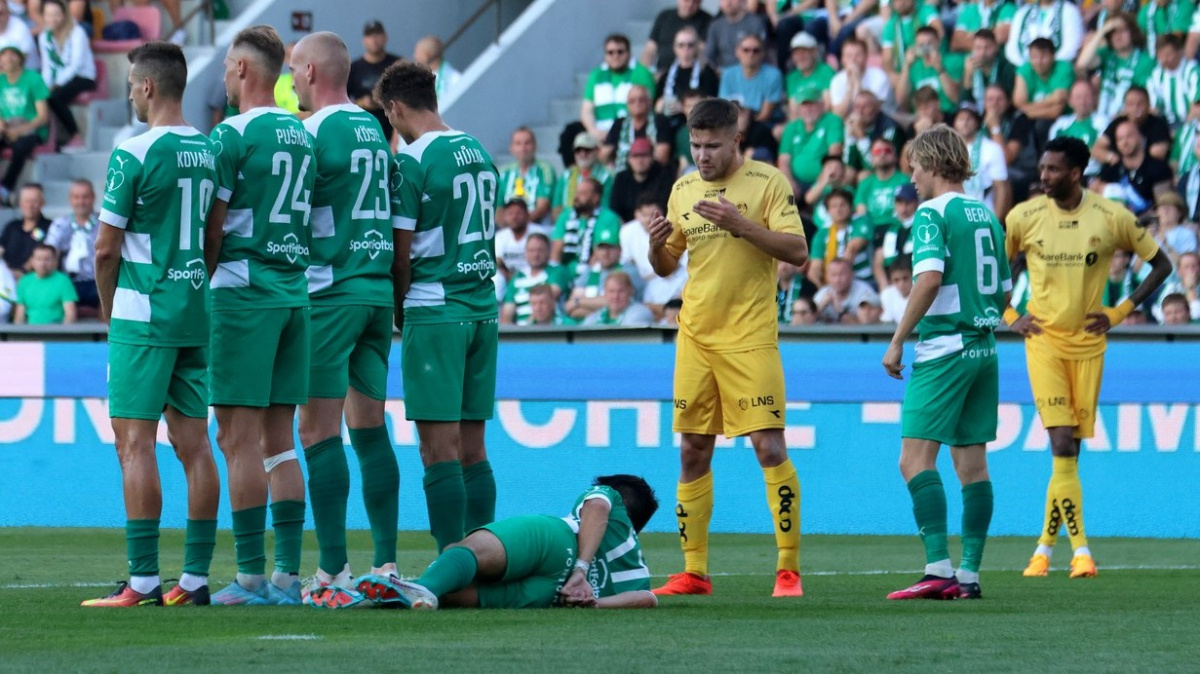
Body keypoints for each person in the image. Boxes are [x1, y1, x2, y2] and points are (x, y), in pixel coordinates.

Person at [647, 97, 808, 598]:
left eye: (712, 146)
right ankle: (694, 572)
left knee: (769, 447)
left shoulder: (767, 183)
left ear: (736, 141)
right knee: (692, 450)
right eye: (695, 145)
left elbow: (798, 251)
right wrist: (654, 246)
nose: (702, 156)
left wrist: (741, 225)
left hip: (750, 337)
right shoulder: (683, 189)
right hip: (695, 337)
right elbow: (666, 266)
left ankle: (788, 570)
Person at [79, 42, 220, 608]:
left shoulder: (132, 153)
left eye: (132, 85)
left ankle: (141, 581)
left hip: (142, 313)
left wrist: (109, 308)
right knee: (195, 444)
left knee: (134, 443)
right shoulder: (208, 150)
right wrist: (192, 284)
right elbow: (214, 237)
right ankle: (194, 581)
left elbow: (104, 249)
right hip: (193, 309)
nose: (131, 95)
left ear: (148, 87)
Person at [1005, 136, 1172, 579]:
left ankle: (1043, 551)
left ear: (1076, 173)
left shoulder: (1111, 216)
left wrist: (1120, 311)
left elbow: (1162, 265)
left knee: (1069, 455)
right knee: (1061, 443)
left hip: (1089, 345)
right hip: (1043, 342)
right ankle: (1082, 552)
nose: (1043, 176)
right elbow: (996, 270)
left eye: (1053, 169)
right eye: (1042, 167)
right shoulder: (1024, 217)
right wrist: (1010, 314)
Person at [282, 31, 401, 606]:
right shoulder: (374, 128)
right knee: (370, 429)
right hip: (376, 290)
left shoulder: (311, 133)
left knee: (317, 431)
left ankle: (332, 571)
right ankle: (387, 563)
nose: (290, 82)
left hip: (331, 292)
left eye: (292, 72)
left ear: (309, 72)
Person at [204, 25, 315, 606]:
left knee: (236, 438)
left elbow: (213, 225)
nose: (224, 75)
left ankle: (249, 576)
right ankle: (287, 576)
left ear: (244, 69)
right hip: (294, 292)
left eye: (227, 65)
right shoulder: (301, 134)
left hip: (243, 294)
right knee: (280, 441)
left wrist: (200, 282)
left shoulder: (230, 135)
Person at [882, 123, 1011, 601]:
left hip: (944, 348)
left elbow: (929, 278)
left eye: (915, 166)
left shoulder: (931, 213)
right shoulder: (988, 216)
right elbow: (1005, 290)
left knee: (914, 460)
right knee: (972, 466)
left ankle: (938, 568)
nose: (912, 177)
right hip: (985, 348)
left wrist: (898, 340)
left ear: (933, 163)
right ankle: (969, 574)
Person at [377, 60, 500, 555]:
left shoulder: (411, 161)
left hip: (436, 309)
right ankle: (486, 559)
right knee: (473, 448)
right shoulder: (478, 150)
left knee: (437, 450)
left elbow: (400, 255)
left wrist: (399, 311)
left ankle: (453, 561)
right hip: (482, 309)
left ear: (395, 108)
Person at [344, 475, 658, 610]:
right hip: (548, 597)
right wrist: (596, 603)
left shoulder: (611, 499)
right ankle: (413, 594)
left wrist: (580, 569)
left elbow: (597, 506)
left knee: (468, 551)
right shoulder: (636, 564)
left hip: (556, 542)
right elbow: (647, 598)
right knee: (455, 595)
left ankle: (419, 587)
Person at [37, 0, 94, 150]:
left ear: (63, 14)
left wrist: (56, 84)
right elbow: (47, 65)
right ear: (43, 16)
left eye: (56, 14)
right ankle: (47, 140)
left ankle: (76, 136)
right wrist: (44, 86)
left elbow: (76, 65)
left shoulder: (77, 32)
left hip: (83, 76)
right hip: (60, 78)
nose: (53, 19)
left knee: (56, 97)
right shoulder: (44, 36)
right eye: (49, 15)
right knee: (41, 95)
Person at [1075, 12, 1152, 120]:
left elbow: (1143, 98)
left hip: (1129, 119)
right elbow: (1082, 64)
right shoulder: (1107, 54)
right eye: (1113, 32)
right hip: (1102, 117)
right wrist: (1102, 31)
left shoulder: (1145, 60)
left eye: (1122, 31)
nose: (1118, 36)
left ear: (1132, 33)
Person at [580, 33, 657, 142]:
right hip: (600, 133)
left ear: (629, 53)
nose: (615, 56)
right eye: (610, 52)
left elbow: (645, 107)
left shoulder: (642, 73)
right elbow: (586, 110)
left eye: (620, 52)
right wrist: (594, 131)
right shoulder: (596, 75)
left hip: (628, 131)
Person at [1091, 119, 1174, 216]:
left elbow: (1164, 205)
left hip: (1149, 222)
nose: (1124, 142)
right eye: (1120, 139)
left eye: (1129, 136)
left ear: (1140, 137)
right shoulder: (1111, 171)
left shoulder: (1158, 168)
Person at [0, 45, 49, 204]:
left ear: (21, 59)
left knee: (21, 148)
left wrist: (20, 131)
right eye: (4, 55)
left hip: (31, 129)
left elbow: (43, 117)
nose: (8, 59)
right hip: (7, 128)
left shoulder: (33, 79)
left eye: (13, 54)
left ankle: (5, 188)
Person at [778, 91, 844, 197]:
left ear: (822, 105)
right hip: (796, 182)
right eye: (804, 105)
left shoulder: (832, 121)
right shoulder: (791, 128)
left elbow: (834, 153)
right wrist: (790, 183)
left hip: (823, 181)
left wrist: (818, 185)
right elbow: (783, 161)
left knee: (834, 169)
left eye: (812, 105)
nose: (807, 109)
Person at [45, 178, 98, 309]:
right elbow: (49, 252)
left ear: (93, 198)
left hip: (98, 282)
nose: (81, 202)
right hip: (67, 282)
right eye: (76, 197)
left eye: (85, 197)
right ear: (70, 199)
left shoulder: (104, 224)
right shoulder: (60, 224)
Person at [552, 176, 624, 273]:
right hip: (566, 271)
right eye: (577, 193)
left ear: (595, 198)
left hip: (595, 271)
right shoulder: (565, 216)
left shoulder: (608, 218)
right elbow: (556, 250)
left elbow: (600, 253)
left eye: (583, 194)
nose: (577, 197)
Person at [954, 102, 1012, 222]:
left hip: (984, 215)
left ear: (977, 123)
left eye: (969, 119)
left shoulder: (992, 148)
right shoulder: (948, 150)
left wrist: (995, 223)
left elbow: (1001, 189)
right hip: (956, 217)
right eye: (961, 119)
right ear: (954, 123)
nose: (965, 123)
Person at [500, 232, 568, 325]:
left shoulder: (557, 271)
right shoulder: (517, 277)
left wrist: (528, 327)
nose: (536, 255)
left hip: (546, 327)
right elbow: (507, 312)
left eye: (540, 250)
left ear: (549, 251)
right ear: (525, 252)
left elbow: (547, 302)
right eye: (531, 250)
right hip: (518, 330)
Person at [347, 20, 400, 140]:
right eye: (370, 36)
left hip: (393, 132)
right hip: (361, 133)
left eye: (378, 35)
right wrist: (361, 103)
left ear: (385, 38)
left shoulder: (397, 65)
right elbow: (343, 101)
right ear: (364, 41)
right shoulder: (354, 68)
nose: (374, 40)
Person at [1048, 80, 1109, 178]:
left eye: (1087, 96)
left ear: (1094, 99)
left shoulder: (1103, 122)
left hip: (1093, 175)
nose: (1082, 101)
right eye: (1078, 97)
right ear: (1070, 101)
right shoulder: (1060, 125)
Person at [653, 26, 719, 118]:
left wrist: (684, 108)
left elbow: (711, 103)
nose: (685, 49)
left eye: (690, 45)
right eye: (681, 45)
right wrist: (661, 105)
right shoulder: (666, 75)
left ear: (696, 47)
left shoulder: (706, 73)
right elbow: (656, 104)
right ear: (674, 48)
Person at [717, 34, 782, 125]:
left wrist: (743, 126)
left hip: (763, 123)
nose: (751, 54)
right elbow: (723, 106)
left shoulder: (773, 75)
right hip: (733, 121)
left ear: (763, 53)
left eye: (756, 51)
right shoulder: (728, 74)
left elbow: (765, 114)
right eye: (746, 50)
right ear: (737, 52)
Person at [603, 84, 672, 168]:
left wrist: (639, 167)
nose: (637, 103)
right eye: (632, 101)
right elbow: (604, 154)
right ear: (627, 104)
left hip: (653, 171)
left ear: (649, 102)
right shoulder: (619, 123)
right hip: (623, 171)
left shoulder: (660, 121)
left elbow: (662, 157)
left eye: (641, 100)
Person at [497, 127, 556, 226]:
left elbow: (542, 206)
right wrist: (508, 228)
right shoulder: (503, 173)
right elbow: (498, 208)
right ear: (511, 148)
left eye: (527, 143)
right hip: (509, 228)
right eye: (518, 144)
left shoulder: (545, 169)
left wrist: (520, 226)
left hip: (537, 225)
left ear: (535, 146)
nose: (523, 148)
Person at [608, 137, 674, 223]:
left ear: (652, 157)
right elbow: (614, 210)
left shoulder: (664, 177)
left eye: (644, 156)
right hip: (626, 226)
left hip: (657, 224)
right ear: (629, 159)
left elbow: (667, 208)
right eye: (635, 156)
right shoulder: (621, 179)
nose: (639, 161)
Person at [1004, 0, 1085, 69]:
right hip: (1025, 71)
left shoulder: (1070, 11)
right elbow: (1012, 48)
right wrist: (1028, 68)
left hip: (1056, 70)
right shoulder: (1022, 13)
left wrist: (1045, 65)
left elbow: (1071, 48)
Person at [552, 132, 613, 223]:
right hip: (567, 223)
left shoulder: (607, 176)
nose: (582, 153)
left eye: (587, 150)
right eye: (578, 150)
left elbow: (606, 206)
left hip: (597, 223)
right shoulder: (565, 176)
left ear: (596, 151)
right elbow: (556, 207)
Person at [642, 0, 713, 73]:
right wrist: (644, 73)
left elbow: (703, 53)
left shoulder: (708, 21)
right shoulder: (664, 17)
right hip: (662, 71)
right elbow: (650, 49)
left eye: (695, 1)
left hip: (691, 73)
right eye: (686, 0)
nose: (690, 4)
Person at [830, 36, 893, 119]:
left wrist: (857, 82)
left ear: (866, 57)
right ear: (842, 59)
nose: (853, 60)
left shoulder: (879, 76)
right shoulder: (837, 80)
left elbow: (871, 110)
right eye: (848, 56)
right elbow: (837, 114)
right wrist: (851, 88)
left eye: (858, 55)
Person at [1146, 33, 1199, 128]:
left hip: (1190, 123)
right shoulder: (1156, 75)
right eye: (1161, 55)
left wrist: (1181, 131)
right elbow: (1153, 108)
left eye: (1169, 54)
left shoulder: (1193, 71)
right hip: (1166, 126)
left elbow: (1196, 106)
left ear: (1180, 52)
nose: (1165, 59)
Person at [12, 242, 74, 323]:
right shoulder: (25, 281)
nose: (42, 264)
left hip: (56, 328)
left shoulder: (64, 281)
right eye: (38, 259)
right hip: (31, 329)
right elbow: (20, 314)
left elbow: (70, 314)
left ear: (55, 262)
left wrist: (64, 331)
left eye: (47, 259)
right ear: (32, 261)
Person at [0, 183, 50, 276]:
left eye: (34, 201)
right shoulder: (12, 227)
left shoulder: (50, 227)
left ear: (42, 203)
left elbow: (44, 255)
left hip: (34, 278)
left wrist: (21, 272)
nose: (30, 206)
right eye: (26, 201)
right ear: (20, 203)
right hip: (6, 277)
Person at [705, 0, 768, 72]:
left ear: (743, 1)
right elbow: (709, 56)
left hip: (751, 72)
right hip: (722, 73)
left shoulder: (756, 22)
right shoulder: (715, 26)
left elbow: (762, 53)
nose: (728, 3)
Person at [496, 199, 552, 278]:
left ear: (527, 215)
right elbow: (498, 260)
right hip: (508, 276)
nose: (514, 217)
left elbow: (548, 259)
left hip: (535, 274)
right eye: (510, 213)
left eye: (518, 213)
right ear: (505, 216)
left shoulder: (539, 232)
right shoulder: (500, 236)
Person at [961, 29, 1016, 109]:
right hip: (976, 112)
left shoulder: (1007, 68)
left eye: (987, 47)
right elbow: (964, 103)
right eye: (978, 48)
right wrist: (968, 76)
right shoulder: (970, 66)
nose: (983, 52)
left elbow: (1008, 100)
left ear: (996, 47)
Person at [814, 257, 879, 323]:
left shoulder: (864, 291)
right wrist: (820, 308)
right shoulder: (822, 294)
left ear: (852, 275)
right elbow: (808, 323)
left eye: (841, 274)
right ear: (827, 277)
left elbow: (865, 325)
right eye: (833, 275)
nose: (837, 280)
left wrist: (839, 310)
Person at [581, 270, 654, 327]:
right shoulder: (593, 318)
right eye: (611, 291)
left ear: (631, 292)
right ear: (605, 293)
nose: (615, 296)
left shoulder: (640, 313)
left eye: (621, 291)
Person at [783, 32, 834, 114]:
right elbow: (793, 110)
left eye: (804, 52)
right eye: (796, 53)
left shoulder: (826, 71)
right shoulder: (791, 78)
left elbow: (828, 105)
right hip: (802, 120)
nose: (800, 57)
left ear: (814, 52)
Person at [413, 35, 461, 101]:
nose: (414, 57)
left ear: (426, 56)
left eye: (417, 53)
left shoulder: (454, 80)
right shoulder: (419, 81)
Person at [880, 257, 913, 323]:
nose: (901, 284)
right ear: (891, 280)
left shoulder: (921, 293)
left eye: (905, 278)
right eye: (896, 280)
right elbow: (887, 321)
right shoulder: (887, 294)